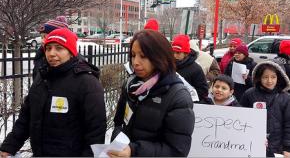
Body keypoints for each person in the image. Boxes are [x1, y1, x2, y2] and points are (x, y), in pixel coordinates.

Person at [0, 28, 107, 157]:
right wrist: (9, 146)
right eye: (48, 48)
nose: (51, 53)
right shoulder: (42, 77)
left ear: (71, 52)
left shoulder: (87, 83)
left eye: (59, 48)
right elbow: (26, 117)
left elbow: (96, 133)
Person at [109, 30, 195, 157]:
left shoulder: (178, 97)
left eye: (143, 56)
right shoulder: (129, 85)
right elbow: (118, 123)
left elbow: (177, 151)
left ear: (159, 57)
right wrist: (118, 143)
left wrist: (133, 151)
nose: (135, 62)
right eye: (133, 55)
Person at [240, 61, 290, 157]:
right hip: (252, 144)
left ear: (279, 77)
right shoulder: (249, 94)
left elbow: (288, 124)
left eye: (273, 77)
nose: (269, 81)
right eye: (265, 77)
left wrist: (287, 148)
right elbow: (241, 118)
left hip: (277, 146)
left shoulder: (286, 98)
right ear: (259, 77)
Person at [172, 34, 209, 100]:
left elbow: (203, 91)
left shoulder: (196, 69)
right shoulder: (167, 66)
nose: (174, 55)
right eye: (173, 52)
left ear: (186, 54)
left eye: (178, 53)